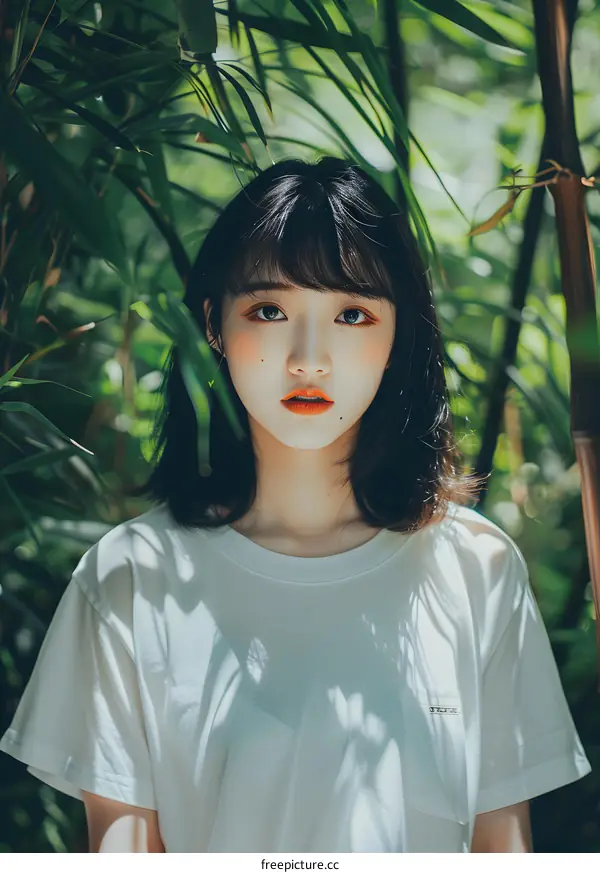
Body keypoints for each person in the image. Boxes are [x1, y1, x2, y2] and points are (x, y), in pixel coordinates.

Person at [0, 157, 591, 853]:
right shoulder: (134, 578)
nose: (309, 358)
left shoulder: (475, 569)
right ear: (213, 323)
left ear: (399, 335)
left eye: (351, 313)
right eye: (270, 310)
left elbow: (503, 852)